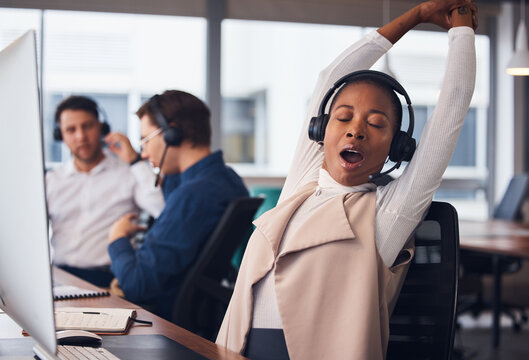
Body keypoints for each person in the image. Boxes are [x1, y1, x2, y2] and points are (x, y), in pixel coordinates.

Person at [216, 1, 477, 359]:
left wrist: (461, 27)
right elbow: (330, 77)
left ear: (396, 147)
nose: (356, 130)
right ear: (322, 130)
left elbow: (453, 106)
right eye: (343, 117)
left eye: (376, 124)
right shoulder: (301, 187)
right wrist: (413, 17)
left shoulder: (386, 215)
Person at [107, 90, 249, 320]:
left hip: (167, 323)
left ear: (172, 134)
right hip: (203, 314)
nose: (143, 152)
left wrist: (117, 238)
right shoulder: (226, 178)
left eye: (146, 140)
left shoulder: (194, 195)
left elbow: (138, 283)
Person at [46, 95, 164, 287]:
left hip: (108, 281)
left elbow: (162, 208)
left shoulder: (129, 172)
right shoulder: (51, 181)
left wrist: (135, 161)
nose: (81, 136)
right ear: (61, 135)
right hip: (59, 278)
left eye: (87, 126)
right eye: (71, 130)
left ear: (102, 127)